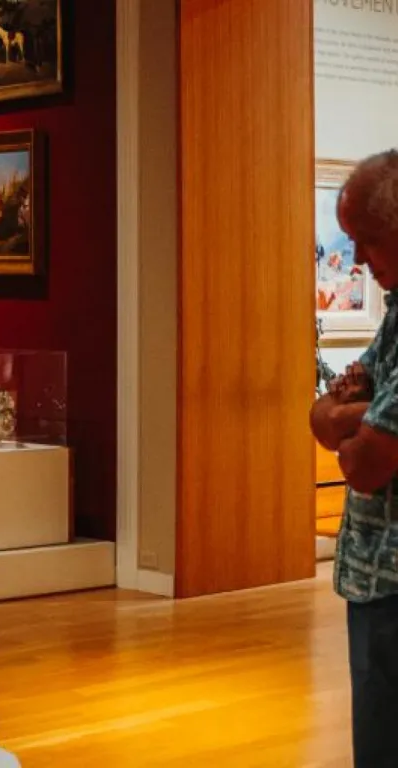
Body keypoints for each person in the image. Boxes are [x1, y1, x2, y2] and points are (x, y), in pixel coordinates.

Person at [309, 149, 398, 766]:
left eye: (366, 239)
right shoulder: (395, 319)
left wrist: (351, 420)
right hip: (373, 578)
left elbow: (367, 464)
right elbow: (321, 416)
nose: (358, 259)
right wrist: (359, 417)